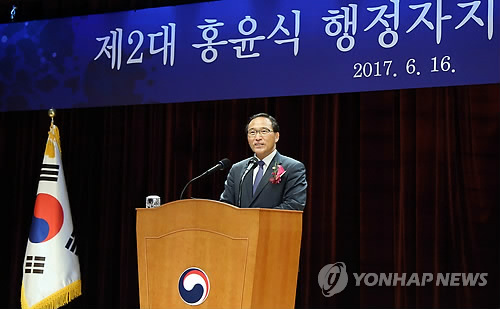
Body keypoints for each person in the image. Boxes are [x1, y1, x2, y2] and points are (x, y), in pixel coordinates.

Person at [220, 113, 307, 210]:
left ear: (276, 136)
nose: (257, 137)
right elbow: (226, 205)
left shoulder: (292, 168)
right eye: (252, 132)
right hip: (241, 225)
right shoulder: (237, 169)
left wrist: (257, 220)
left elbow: (294, 205)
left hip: (274, 225)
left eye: (264, 131)